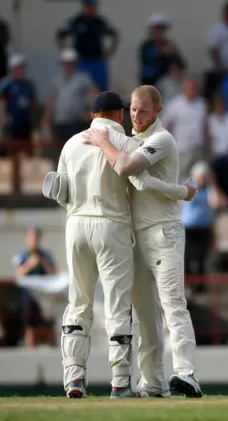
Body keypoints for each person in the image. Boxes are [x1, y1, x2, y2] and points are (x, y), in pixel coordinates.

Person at [51, 91, 193, 398]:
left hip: (75, 224)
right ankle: (120, 382)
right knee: (118, 306)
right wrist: (183, 191)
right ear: (119, 115)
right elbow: (138, 180)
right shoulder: (128, 143)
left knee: (78, 303)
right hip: (112, 224)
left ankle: (74, 378)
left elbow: (59, 190)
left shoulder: (71, 143)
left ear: (93, 116)